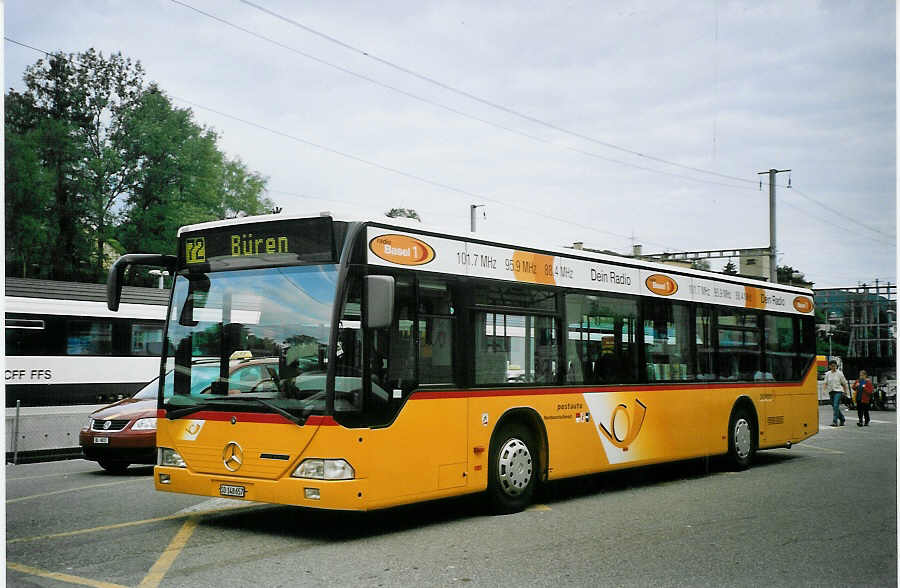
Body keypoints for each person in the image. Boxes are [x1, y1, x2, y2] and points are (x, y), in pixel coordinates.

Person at [823, 360, 848, 426]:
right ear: (829, 366)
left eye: (835, 366)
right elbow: (825, 383)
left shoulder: (840, 373)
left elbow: (844, 383)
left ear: (836, 366)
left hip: (838, 391)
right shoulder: (827, 374)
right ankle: (842, 419)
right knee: (834, 407)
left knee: (836, 405)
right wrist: (824, 390)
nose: (833, 367)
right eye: (832, 366)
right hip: (831, 392)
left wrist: (845, 391)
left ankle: (835, 421)